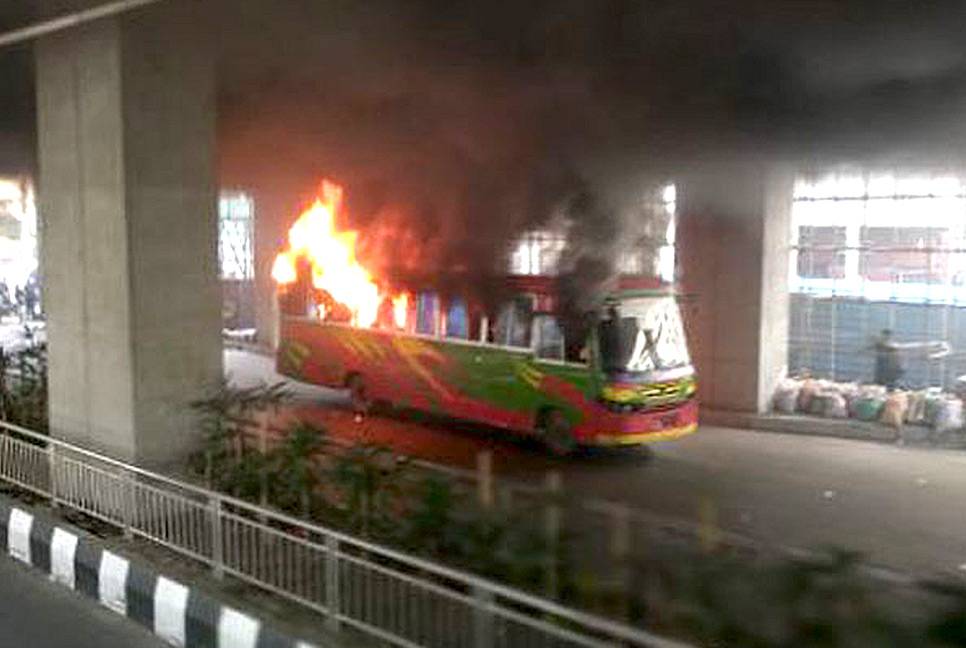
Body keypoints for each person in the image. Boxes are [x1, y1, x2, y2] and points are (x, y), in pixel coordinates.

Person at [870, 329, 950, 390]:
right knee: (885, 383)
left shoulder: (892, 347)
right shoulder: (883, 346)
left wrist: (935, 346)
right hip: (886, 370)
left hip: (892, 370)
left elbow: (907, 346)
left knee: (891, 383)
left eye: (886, 336)